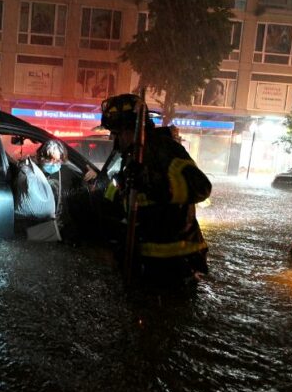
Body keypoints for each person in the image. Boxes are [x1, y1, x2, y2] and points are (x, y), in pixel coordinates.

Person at [99, 94, 212, 285]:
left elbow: (201, 187)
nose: (115, 139)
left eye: (118, 133)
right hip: (147, 258)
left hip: (175, 260)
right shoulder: (131, 156)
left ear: (134, 128)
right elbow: (129, 200)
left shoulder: (164, 149)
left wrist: (150, 181)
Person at [33, 140, 97, 241]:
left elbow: (87, 190)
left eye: (57, 161)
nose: (53, 164)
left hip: (61, 229)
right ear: (40, 158)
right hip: (37, 230)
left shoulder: (67, 173)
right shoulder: (32, 174)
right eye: (49, 159)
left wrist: (94, 177)